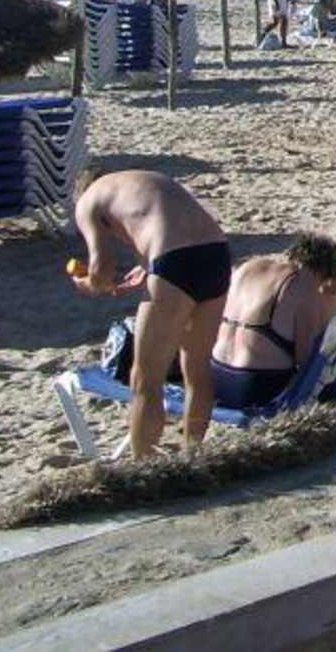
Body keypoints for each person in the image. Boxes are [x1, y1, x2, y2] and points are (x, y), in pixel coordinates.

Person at [69, 168, 231, 458]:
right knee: (197, 369)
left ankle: (143, 466)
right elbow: (165, 224)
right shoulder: (139, 180)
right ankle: (192, 455)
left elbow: (101, 271)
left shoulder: (87, 201)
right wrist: (147, 266)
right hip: (217, 254)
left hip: (176, 262)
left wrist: (89, 283)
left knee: (145, 378)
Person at [211, 234, 336, 409]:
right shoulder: (303, 285)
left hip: (215, 378)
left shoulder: (247, 267)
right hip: (255, 387)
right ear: (325, 271)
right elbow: (308, 362)